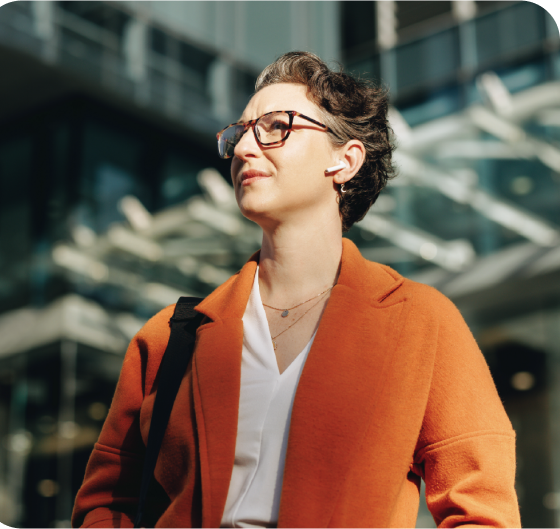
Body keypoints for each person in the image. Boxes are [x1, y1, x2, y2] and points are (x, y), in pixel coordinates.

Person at [72, 51, 521, 529]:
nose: (245, 148)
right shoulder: (168, 337)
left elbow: (482, 510)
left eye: (276, 126)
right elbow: (103, 504)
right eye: (239, 132)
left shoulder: (420, 321)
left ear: (344, 160)